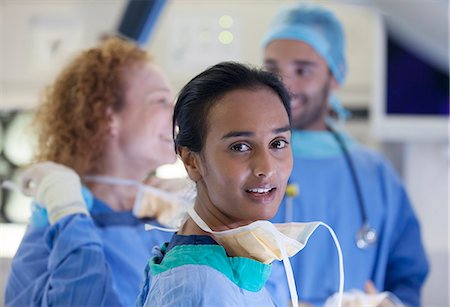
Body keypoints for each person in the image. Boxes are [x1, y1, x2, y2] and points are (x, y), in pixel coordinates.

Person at [261, 3, 429, 306]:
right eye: (272, 70)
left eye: (303, 70)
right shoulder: (250, 165)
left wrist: (391, 303)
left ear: (334, 76)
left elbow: (408, 274)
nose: (285, 84)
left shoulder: (373, 173)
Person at [5, 37, 178, 306]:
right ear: (109, 117)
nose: (177, 115)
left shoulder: (162, 224)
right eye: (161, 101)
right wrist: (70, 218)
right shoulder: (56, 222)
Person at [136, 61, 296, 306]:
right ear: (191, 161)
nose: (267, 168)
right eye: (240, 147)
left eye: (278, 143)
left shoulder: (221, 263)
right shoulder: (200, 287)